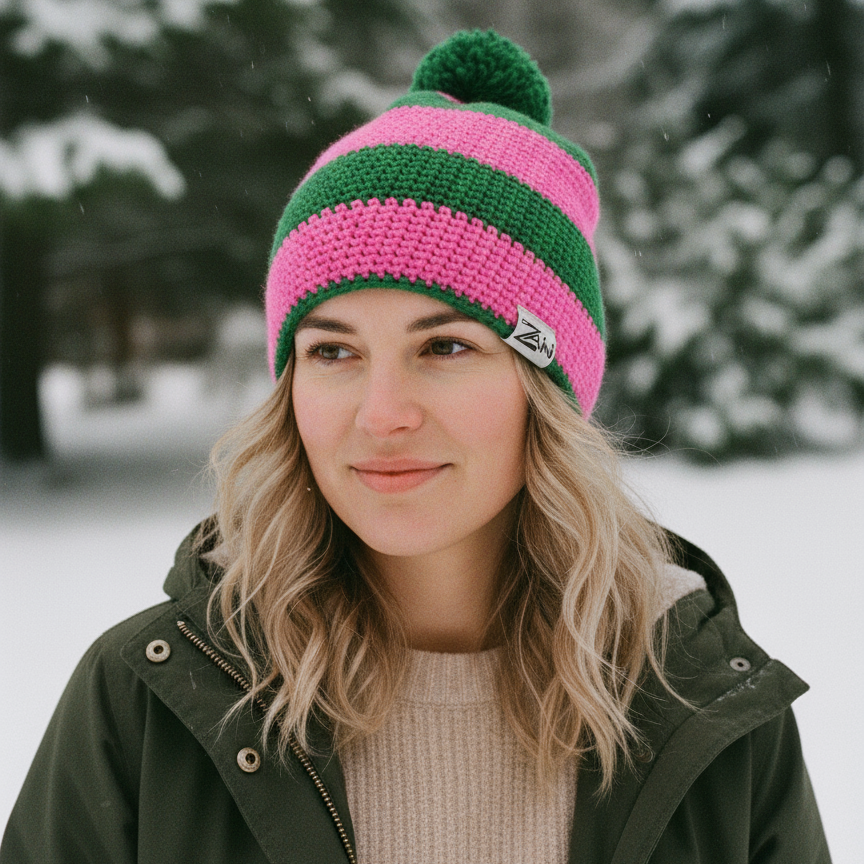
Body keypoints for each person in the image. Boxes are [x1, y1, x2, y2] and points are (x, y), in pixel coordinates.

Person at [1, 30, 830, 864]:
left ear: (543, 387)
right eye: (332, 351)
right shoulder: (146, 703)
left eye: (444, 348)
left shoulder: (709, 715)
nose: (381, 414)